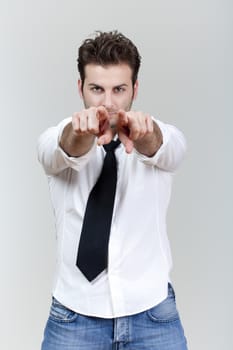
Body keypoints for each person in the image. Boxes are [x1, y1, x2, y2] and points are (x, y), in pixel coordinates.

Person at [38, 30, 188, 350]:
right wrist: (82, 133)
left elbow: (160, 147)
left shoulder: (165, 135)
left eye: (119, 89)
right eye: (96, 89)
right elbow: (67, 148)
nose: (108, 102)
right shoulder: (56, 137)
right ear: (80, 88)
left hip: (152, 314)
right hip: (74, 317)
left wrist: (144, 135)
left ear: (135, 88)